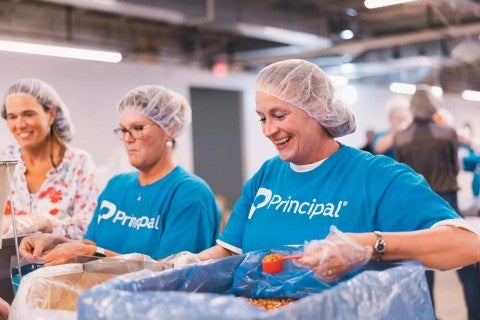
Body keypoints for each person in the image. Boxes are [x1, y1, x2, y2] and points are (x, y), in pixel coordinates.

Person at [159, 59, 480, 286]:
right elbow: (231, 250)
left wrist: (371, 244)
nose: (269, 130)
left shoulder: (377, 176)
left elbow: (465, 245)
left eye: (279, 115)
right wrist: (184, 264)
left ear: (317, 112)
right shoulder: (267, 175)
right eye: (262, 118)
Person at [19, 85, 221, 264]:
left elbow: (171, 269)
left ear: (171, 128)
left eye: (137, 128)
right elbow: (92, 243)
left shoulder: (189, 193)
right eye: (123, 130)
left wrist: (90, 252)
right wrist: (56, 242)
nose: (127, 138)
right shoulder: (117, 186)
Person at [393, 85, 480, 320]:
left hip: (416, 207)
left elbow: (403, 176)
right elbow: (454, 168)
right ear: (433, 105)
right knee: (468, 265)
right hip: (447, 203)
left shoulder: (400, 138)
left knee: (422, 269)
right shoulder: (448, 133)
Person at [1, 78, 99, 240]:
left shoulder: (78, 164)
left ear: (51, 114)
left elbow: (89, 227)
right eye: (12, 116)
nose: (20, 124)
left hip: (57, 264)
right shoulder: (3, 160)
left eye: (28, 114)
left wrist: (45, 224)